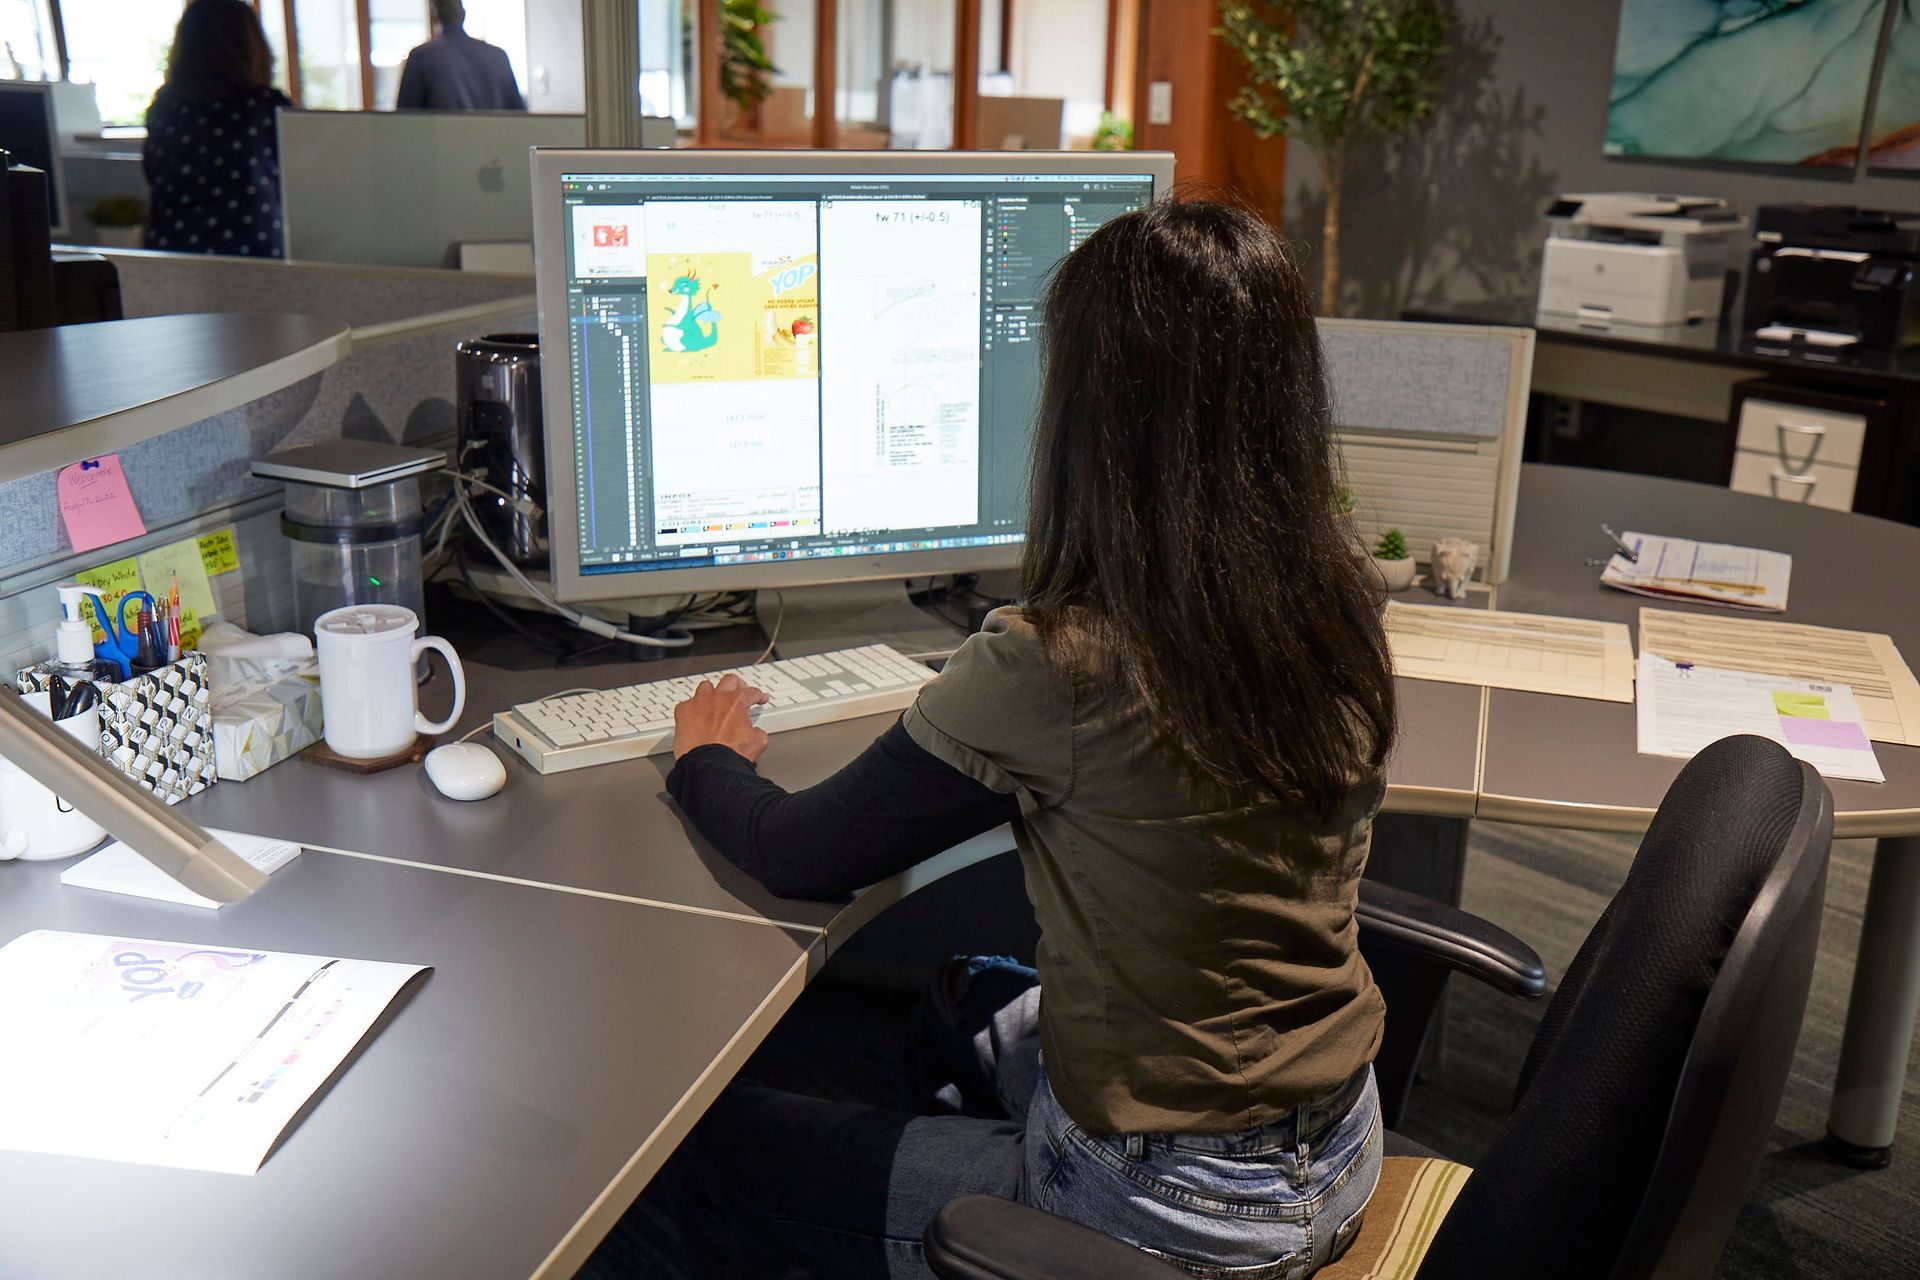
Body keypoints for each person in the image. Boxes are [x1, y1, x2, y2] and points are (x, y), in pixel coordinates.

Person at [660, 197, 1399, 1278]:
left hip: (1169, 1206)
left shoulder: (1059, 661)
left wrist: (703, 755)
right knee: (963, 996)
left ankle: (997, 1237)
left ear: (1093, 418)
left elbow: (800, 852)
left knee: (700, 1155)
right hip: (1335, 1146)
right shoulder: (1338, 600)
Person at [142, 0, 290, 258]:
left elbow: (153, 174)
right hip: (251, 261)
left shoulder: (164, 107)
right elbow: (300, 182)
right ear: (252, 47)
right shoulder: (266, 108)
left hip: (170, 255)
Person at [394, 0, 525, 112]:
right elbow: (519, 117)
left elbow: (406, 122)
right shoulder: (498, 56)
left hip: (442, 140)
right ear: (464, 14)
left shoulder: (421, 57)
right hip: (495, 140)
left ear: (434, 15)